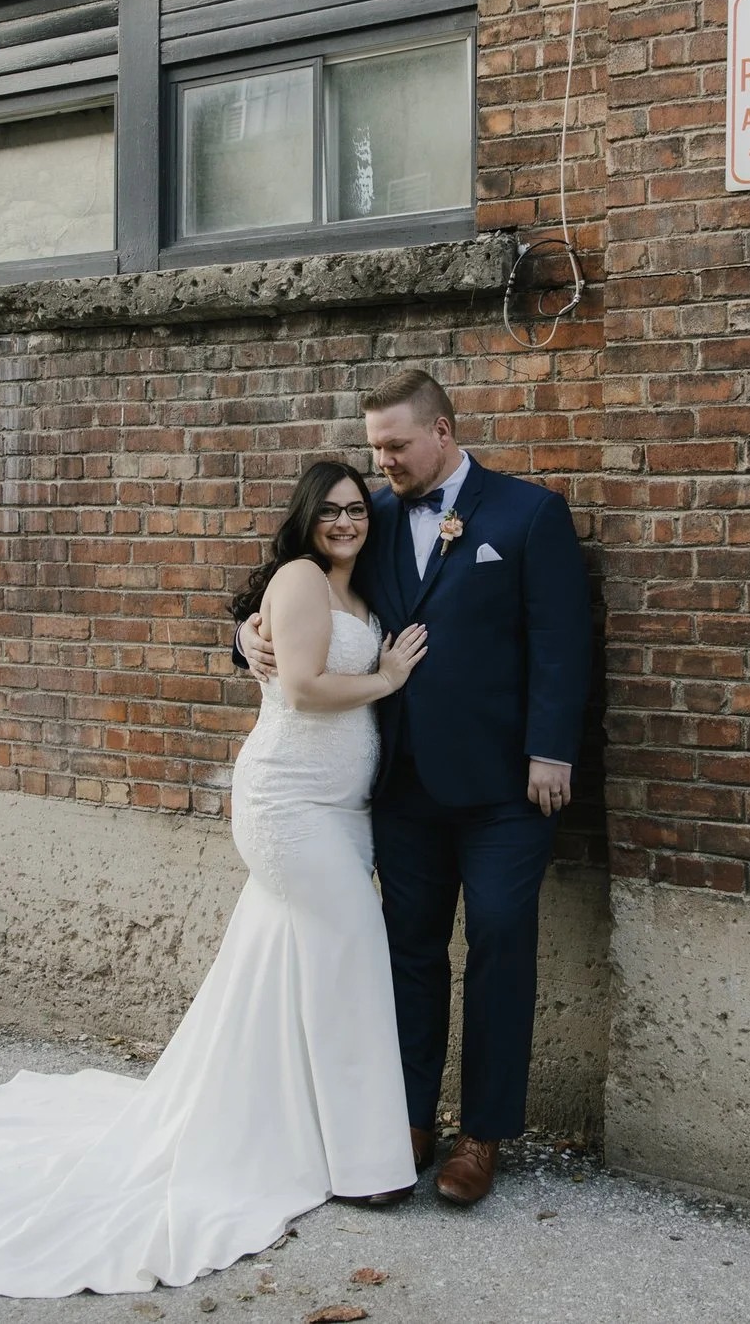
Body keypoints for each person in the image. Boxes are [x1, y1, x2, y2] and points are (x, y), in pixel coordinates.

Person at [0, 460, 429, 1297]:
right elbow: (303, 684)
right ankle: (368, 1163)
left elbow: (285, 647)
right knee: (355, 946)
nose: (346, 521)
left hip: (344, 809)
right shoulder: (298, 577)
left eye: (356, 508)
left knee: (281, 964)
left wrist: (262, 635)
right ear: (305, 518)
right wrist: (386, 678)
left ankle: (295, 1130)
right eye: (329, 510)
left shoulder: (360, 587)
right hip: (289, 805)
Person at [239, 368, 593, 1207]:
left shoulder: (529, 513)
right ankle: (407, 1117)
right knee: (407, 953)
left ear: (442, 430)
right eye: (374, 448)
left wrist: (552, 750)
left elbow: (562, 639)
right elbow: (300, 596)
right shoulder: (370, 520)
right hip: (401, 788)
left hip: (509, 788)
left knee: (503, 942)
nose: (382, 462)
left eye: (395, 445)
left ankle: (483, 1134)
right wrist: (243, 636)